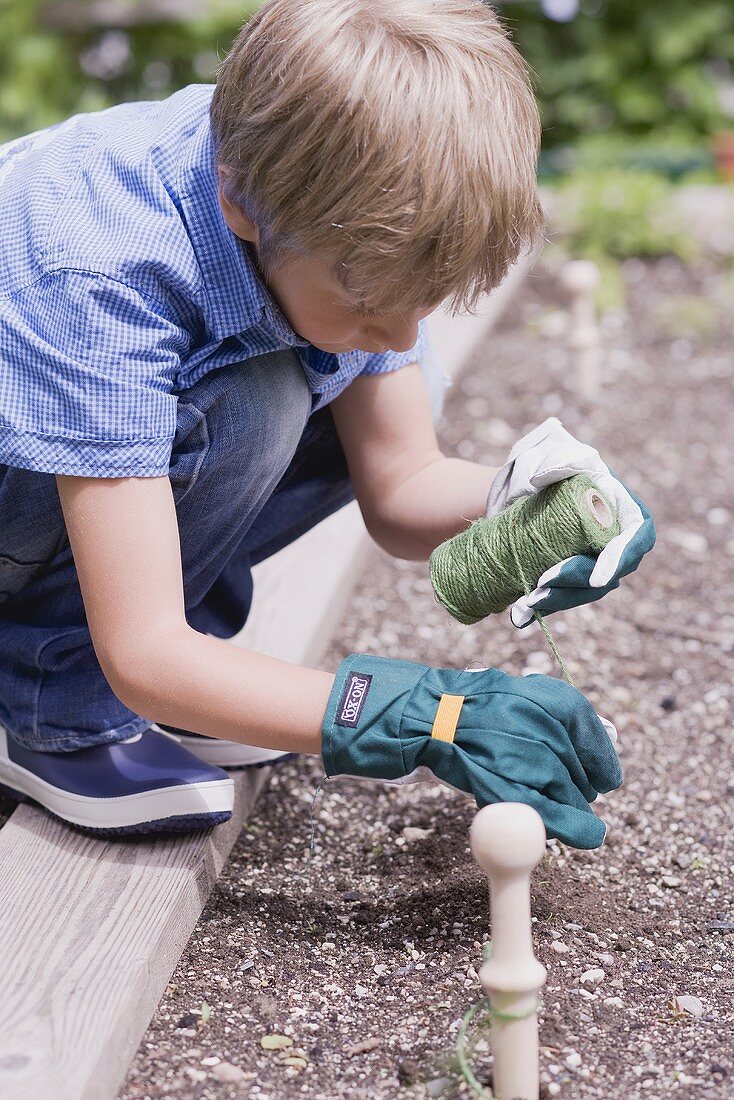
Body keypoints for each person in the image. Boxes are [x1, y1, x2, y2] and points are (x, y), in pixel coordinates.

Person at [0, 0, 653, 846]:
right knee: (264, 395)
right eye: (375, 302)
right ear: (237, 199)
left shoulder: (312, 169)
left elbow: (402, 486)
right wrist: (427, 712)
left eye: (427, 302)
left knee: (302, 374)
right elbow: (146, 651)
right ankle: (53, 707)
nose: (406, 339)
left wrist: (540, 504)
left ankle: (203, 679)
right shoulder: (100, 267)